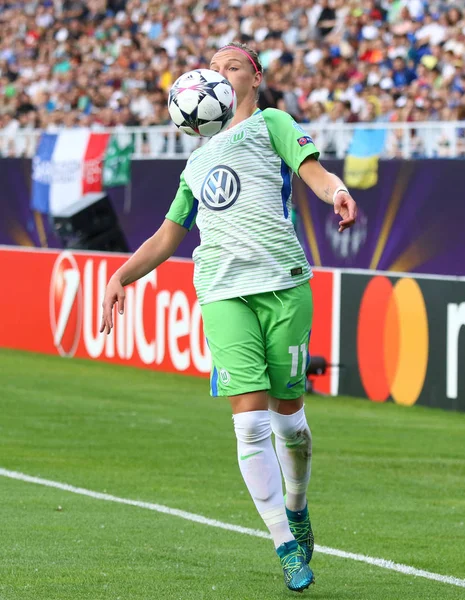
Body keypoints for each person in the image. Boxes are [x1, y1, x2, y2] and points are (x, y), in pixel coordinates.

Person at [100, 42, 357, 593]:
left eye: (232, 66)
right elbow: (169, 236)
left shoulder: (272, 124)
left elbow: (312, 171)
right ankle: (285, 545)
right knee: (250, 421)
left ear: (255, 77)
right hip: (220, 290)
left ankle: (297, 504)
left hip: (284, 284)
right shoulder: (195, 163)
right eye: (211, 68)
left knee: (290, 419)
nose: (219, 75)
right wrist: (122, 275)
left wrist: (337, 192)